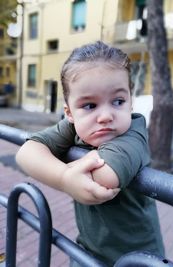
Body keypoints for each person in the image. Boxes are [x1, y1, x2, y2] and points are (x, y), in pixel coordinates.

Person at [16, 41, 164, 266]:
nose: (106, 116)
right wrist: (64, 178)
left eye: (118, 101)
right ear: (70, 113)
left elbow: (105, 177)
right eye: (89, 105)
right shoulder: (73, 126)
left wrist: (56, 166)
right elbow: (25, 154)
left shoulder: (133, 133)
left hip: (137, 259)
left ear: (130, 104)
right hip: (89, 250)